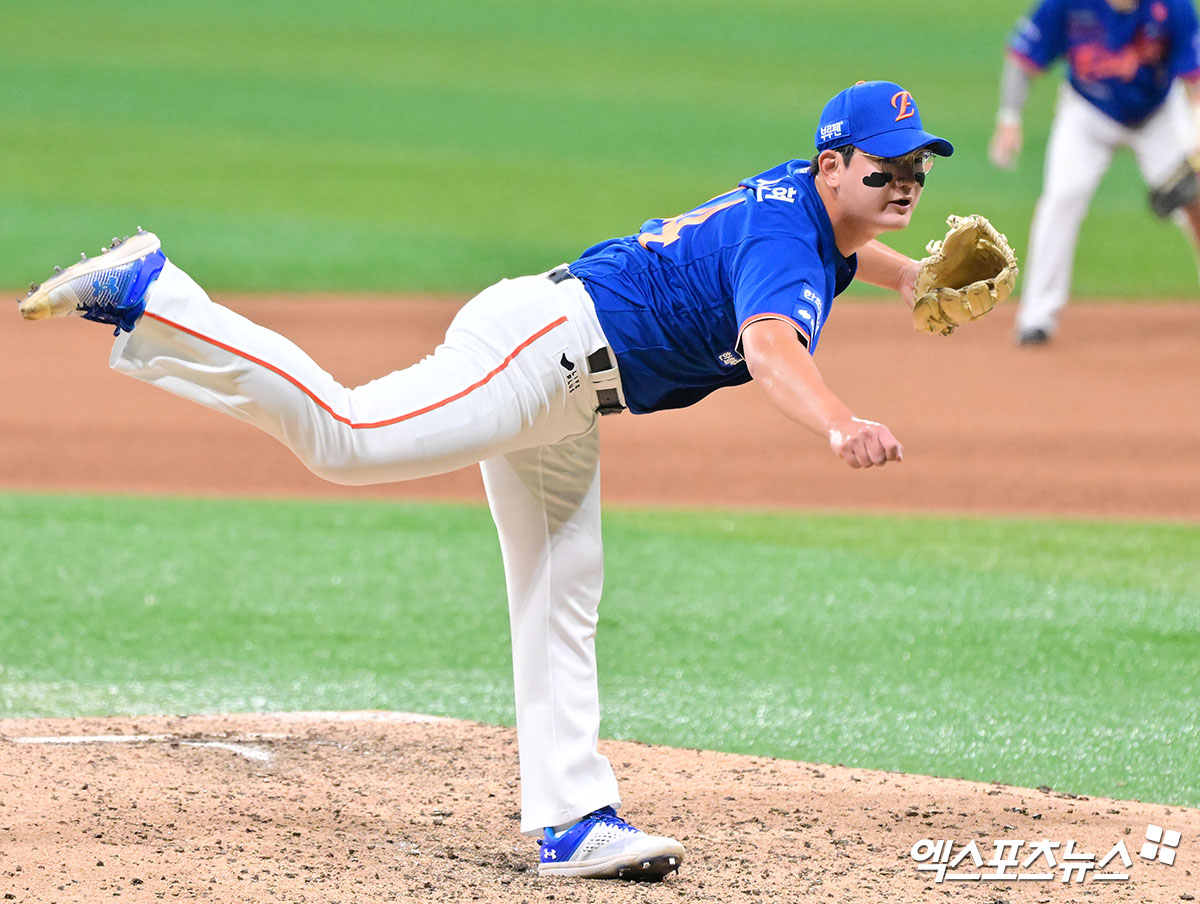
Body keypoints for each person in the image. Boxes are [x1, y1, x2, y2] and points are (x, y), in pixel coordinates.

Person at [18, 80, 950, 882]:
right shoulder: (788, 239)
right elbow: (771, 343)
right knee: (349, 438)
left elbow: (841, 248)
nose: (904, 183)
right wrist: (840, 421)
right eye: (886, 168)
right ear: (833, 166)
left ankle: (573, 821)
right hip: (541, 354)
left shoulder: (804, 207)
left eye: (917, 168)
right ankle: (158, 295)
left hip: (563, 373)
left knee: (561, 585)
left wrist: (909, 278)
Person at [989, 0, 1200, 345]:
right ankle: (1036, 318)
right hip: (1087, 112)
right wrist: (1009, 119)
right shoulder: (1066, 4)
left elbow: (1195, 78)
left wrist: (1196, 139)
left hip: (1158, 114)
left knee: (1195, 201)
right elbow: (1023, 59)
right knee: (1061, 199)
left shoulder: (1173, 6)